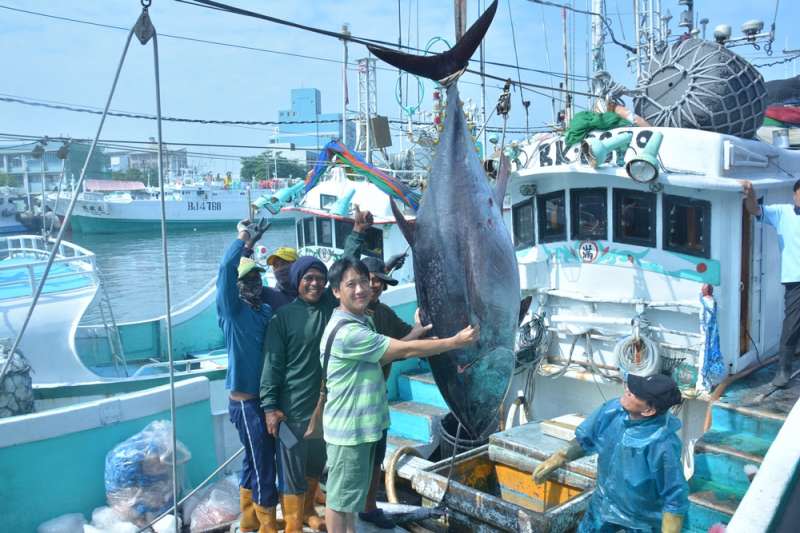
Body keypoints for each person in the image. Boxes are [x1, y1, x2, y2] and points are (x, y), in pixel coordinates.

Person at [320, 256, 479, 533]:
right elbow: (403, 351)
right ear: (336, 291)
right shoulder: (349, 332)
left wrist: (421, 335)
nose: (361, 289)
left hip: (365, 426)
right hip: (350, 431)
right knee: (340, 501)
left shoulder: (361, 321)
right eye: (351, 285)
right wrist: (454, 342)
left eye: (363, 282)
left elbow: (389, 351)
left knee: (350, 499)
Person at [259, 206, 372, 532]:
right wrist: (270, 407)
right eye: (308, 278)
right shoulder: (282, 318)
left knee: (316, 464)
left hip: (327, 409)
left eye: (320, 280)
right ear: (297, 282)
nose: (314, 283)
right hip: (292, 411)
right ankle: (294, 523)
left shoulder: (328, 305)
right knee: (292, 470)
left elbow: (344, 266)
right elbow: (272, 365)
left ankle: (309, 510)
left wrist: (358, 233)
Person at [532, 374, 688, 533]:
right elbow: (587, 438)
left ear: (649, 410)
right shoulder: (613, 411)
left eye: (635, 393)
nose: (628, 390)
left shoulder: (663, 444)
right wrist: (559, 458)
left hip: (637, 523)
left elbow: (674, 497)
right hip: (601, 507)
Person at [358, 255, 430, 529]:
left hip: (378, 396)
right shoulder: (351, 315)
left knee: (377, 454)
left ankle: (368, 507)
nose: (375, 286)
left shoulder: (384, 313)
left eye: (380, 282)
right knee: (356, 460)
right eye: (371, 280)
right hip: (354, 401)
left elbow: (409, 335)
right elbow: (400, 348)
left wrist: (423, 330)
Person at [217, 219, 278, 533]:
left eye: (257, 278)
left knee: (253, 462)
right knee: (263, 464)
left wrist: (252, 248)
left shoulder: (263, 312)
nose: (253, 283)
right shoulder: (232, 312)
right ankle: (266, 524)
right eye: (246, 279)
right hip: (246, 405)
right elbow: (227, 268)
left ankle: (249, 523)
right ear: (237, 286)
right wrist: (244, 238)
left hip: (265, 403)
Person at [742, 179, 800, 387]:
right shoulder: (782, 212)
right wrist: (751, 193)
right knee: (792, 325)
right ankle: (783, 371)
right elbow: (754, 209)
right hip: (796, 280)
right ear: (794, 195)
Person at [263, 246, 299, 311]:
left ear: (297, 264)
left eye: (284, 263)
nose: (280, 269)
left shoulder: (309, 291)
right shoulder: (268, 294)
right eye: (276, 265)